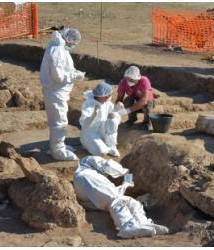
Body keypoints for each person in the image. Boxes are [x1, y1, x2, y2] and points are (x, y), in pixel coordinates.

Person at [73, 156, 169, 238]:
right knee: (116, 201)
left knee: (131, 202)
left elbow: (111, 193)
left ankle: (143, 222)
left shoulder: (90, 174)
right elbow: (106, 164)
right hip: (89, 182)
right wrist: (123, 171)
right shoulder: (87, 166)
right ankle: (127, 227)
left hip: (92, 193)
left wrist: (125, 185)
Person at [40, 27, 85, 161]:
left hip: (57, 91)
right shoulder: (58, 50)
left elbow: (63, 68)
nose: (72, 46)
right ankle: (57, 151)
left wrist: (74, 71)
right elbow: (58, 76)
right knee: (59, 122)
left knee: (58, 120)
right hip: (55, 91)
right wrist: (74, 76)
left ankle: (58, 145)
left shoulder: (58, 46)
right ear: (69, 41)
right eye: (73, 44)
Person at [80, 82, 123, 157]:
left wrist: (117, 110)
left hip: (102, 130)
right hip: (90, 133)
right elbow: (84, 124)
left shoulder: (107, 103)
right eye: (109, 95)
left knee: (113, 120)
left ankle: (111, 145)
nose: (110, 97)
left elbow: (116, 117)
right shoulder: (89, 104)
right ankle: (87, 145)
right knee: (102, 152)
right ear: (104, 96)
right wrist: (93, 116)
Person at [115, 66, 155, 130]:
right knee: (128, 100)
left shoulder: (144, 80)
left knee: (147, 102)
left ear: (137, 78)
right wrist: (116, 109)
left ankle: (147, 122)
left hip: (147, 103)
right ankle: (132, 119)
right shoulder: (123, 82)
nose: (129, 81)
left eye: (132, 79)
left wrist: (127, 111)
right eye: (128, 79)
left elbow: (144, 100)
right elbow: (119, 98)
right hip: (135, 103)